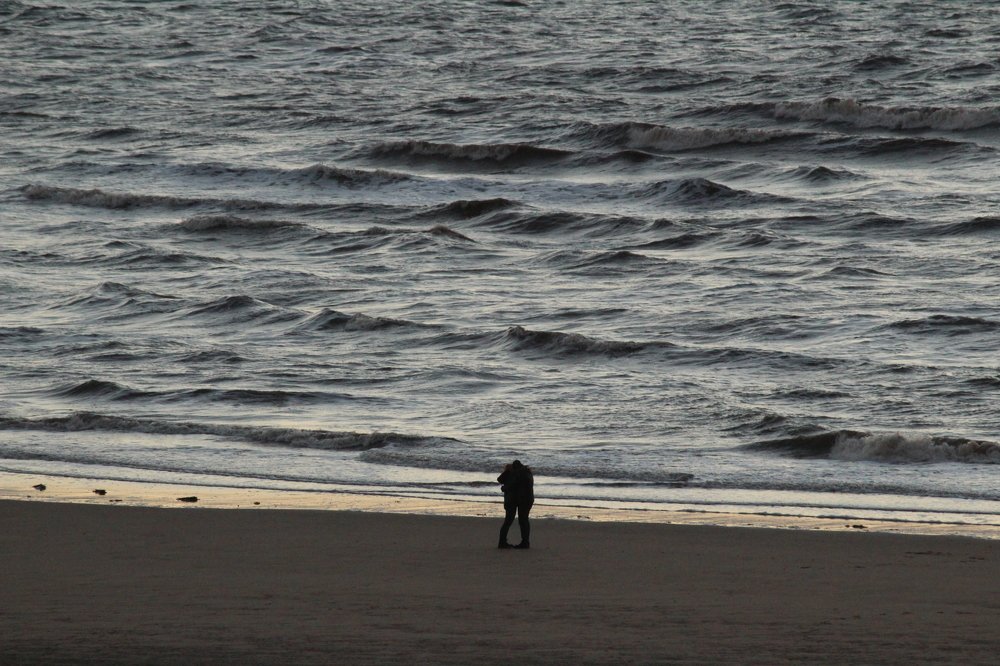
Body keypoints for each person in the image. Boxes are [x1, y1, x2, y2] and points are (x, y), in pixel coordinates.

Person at [497, 459, 534, 549]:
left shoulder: (518, 474)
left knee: (513, 521)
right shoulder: (526, 473)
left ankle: (504, 542)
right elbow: (501, 480)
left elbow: (510, 484)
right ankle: (524, 542)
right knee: (522, 520)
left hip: (519, 500)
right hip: (524, 500)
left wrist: (504, 488)